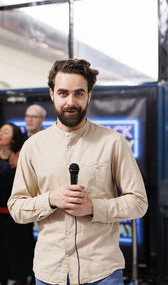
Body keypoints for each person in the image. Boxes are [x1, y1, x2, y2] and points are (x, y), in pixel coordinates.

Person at [8, 59, 148, 285]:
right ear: (52, 94)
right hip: (49, 272)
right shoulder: (33, 146)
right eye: (63, 93)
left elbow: (139, 202)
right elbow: (16, 208)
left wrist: (93, 207)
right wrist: (50, 200)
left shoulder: (113, 142)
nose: (70, 102)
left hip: (102, 272)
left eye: (78, 94)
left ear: (89, 95)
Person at [0, 123, 34, 285]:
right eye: (0, 130)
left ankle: (21, 278)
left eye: (5, 132)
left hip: (18, 214)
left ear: (13, 139)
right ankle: (1, 277)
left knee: (19, 247)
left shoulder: (22, 156)